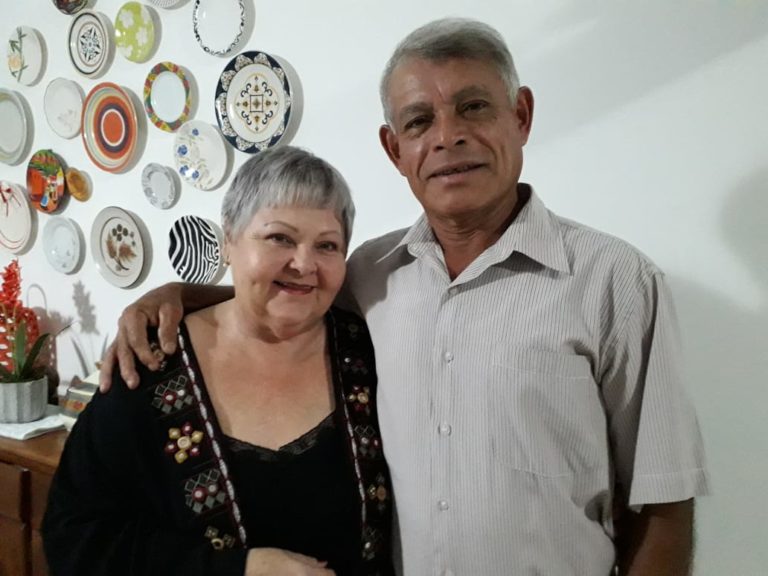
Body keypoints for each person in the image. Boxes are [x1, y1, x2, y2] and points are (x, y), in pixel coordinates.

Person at [99, 18, 709, 576]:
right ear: (395, 149)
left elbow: (664, 503)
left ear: (521, 116)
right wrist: (178, 294)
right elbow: (287, 294)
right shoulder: (372, 275)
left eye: (473, 107)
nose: (448, 137)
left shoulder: (615, 282)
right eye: (419, 121)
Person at [43, 147, 394, 576]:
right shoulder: (150, 364)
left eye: (327, 245)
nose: (304, 264)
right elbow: (75, 537)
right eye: (280, 238)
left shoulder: (370, 353)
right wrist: (235, 569)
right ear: (228, 241)